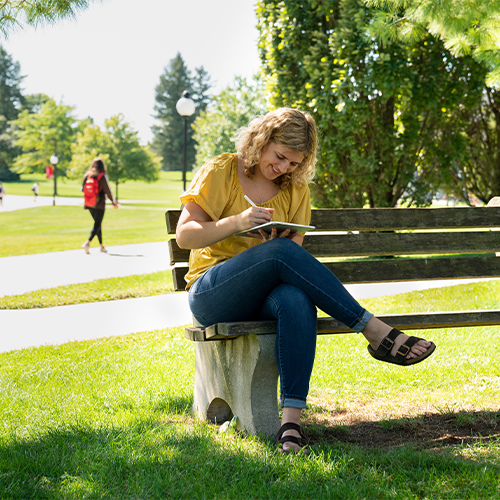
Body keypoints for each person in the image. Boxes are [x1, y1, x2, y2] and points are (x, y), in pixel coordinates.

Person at [175, 108, 436, 454]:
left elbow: (291, 259)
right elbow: (185, 235)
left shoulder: (295, 189)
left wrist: (270, 246)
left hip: (263, 292)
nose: (284, 168)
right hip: (213, 292)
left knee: (296, 300)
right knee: (280, 254)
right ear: (261, 141)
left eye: (294, 163)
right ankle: (372, 329)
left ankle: (291, 423)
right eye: (280, 157)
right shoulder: (222, 170)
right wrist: (238, 222)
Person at [81, 158, 118, 254]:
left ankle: (101, 246)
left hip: (89, 204)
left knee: (97, 224)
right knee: (97, 224)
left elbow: (82, 189)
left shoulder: (87, 175)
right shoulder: (102, 176)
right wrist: (114, 202)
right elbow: (108, 191)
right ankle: (87, 243)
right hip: (99, 204)